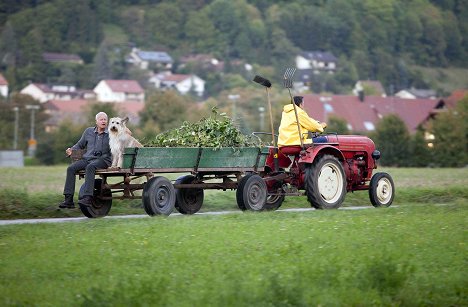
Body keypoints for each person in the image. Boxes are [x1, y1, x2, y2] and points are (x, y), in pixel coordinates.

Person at [58, 112, 112, 209]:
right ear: (96, 121)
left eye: (105, 119)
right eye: (101, 119)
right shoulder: (88, 132)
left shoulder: (111, 133)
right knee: (71, 168)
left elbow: (123, 136)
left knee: (90, 167)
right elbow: (80, 144)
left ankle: (87, 197)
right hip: (88, 159)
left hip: (103, 160)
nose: (103, 121)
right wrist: (71, 150)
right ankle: (68, 200)